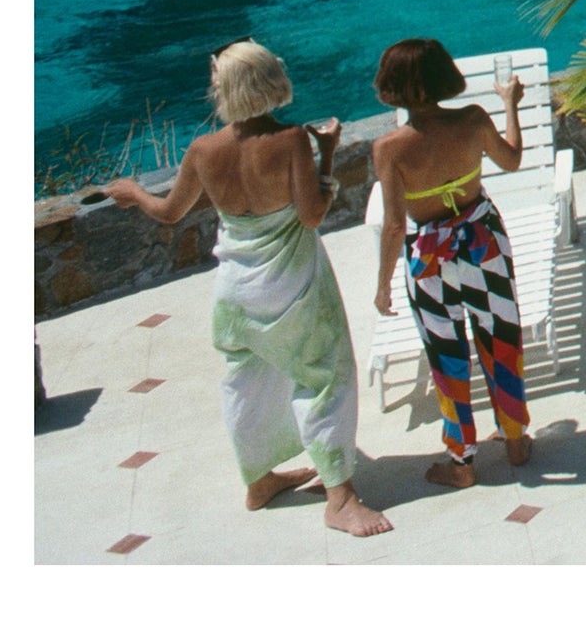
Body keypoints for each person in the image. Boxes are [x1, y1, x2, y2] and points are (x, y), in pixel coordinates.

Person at [100, 40, 390, 537]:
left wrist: (133, 193)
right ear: (269, 81)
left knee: (246, 379)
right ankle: (340, 498)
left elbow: (169, 213)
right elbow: (311, 214)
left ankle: (258, 480)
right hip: (292, 287)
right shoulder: (292, 140)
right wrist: (327, 156)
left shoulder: (204, 150)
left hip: (235, 290)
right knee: (324, 376)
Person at [370, 36, 531, 489]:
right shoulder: (473, 120)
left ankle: (462, 462)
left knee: (447, 356)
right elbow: (514, 160)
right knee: (501, 341)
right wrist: (510, 104)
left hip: (429, 258)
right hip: (483, 242)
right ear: (446, 77)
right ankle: (516, 440)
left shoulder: (389, 148)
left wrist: (383, 286)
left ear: (391, 86)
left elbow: (395, 226)